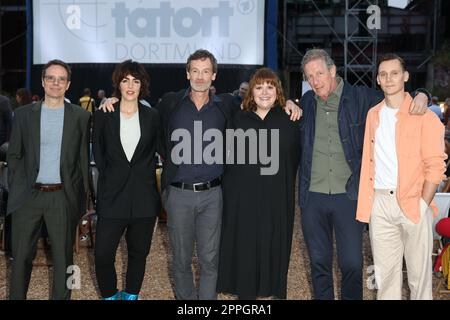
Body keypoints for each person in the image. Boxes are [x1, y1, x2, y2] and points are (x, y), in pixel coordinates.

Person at [100, 49, 300, 300]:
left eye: (206, 71)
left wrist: (289, 102)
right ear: (187, 73)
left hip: (213, 194)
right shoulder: (170, 103)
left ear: (214, 75)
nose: (200, 77)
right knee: (181, 261)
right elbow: (143, 118)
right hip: (178, 194)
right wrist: (113, 100)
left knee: (210, 260)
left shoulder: (227, 105)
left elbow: (261, 103)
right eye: (195, 71)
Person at [298, 48, 430, 300]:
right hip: (312, 197)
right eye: (309, 76)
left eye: (319, 73)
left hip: (349, 195)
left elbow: (396, 96)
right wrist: (288, 102)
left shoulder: (360, 97)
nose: (315, 81)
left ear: (333, 71)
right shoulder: (307, 103)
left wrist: (423, 94)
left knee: (351, 264)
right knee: (318, 263)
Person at [356, 53, 446, 300]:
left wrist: (422, 203)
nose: (389, 78)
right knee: (385, 280)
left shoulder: (425, 116)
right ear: (377, 79)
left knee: (419, 281)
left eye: (394, 73)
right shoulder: (373, 115)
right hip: (381, 203)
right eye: (383, 74)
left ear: (405, 76)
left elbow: (436, 165)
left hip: (414, 201)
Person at [6, 59, 90, 300]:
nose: (56, 82)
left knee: (64, 260)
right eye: (51, 78)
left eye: (61, 79)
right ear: (43, 82)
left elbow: (83, 161)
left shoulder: (81, 117)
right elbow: (14, 155)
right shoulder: (23, 115)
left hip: (62, 198)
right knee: (21, 257)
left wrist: (80, 200)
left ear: (68, 84)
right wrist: (18, 187)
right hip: (28, 197)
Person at [217, 68, 300, 299]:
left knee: (273, 250)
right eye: (259, 86)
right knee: (245, 253)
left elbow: (296, 158)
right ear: (251, 91)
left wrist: (292, 103)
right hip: (243, 201)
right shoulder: (236, 118)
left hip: (276, 201)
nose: (265, 92)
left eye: (270, 87)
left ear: (278, 91)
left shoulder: (290, 120)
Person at [93, 60, 162, 300]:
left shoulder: (153, 116)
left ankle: (131, 296)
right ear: (118, 84)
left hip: (143, 200)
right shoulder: (104, 114)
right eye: (125, 80)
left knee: (138, 254)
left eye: (135, 80)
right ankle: (110, 296)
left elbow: (159, 150)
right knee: (102, 255)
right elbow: (99, 156)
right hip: (112, 197)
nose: (130, 85)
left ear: (142, 84)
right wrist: (114, 177)